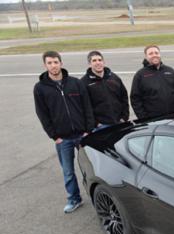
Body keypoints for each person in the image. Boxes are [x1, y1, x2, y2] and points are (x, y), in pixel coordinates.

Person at [34, 50, 94, 213]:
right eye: (49, 63)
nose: (53, 66)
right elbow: (42, 114)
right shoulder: (40, 88)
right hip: (63, 139)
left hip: (82, 135)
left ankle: (97, 197)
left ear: (61, 63)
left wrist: (88, 130)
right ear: (45, 65)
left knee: (91, 168)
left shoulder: (75, 83)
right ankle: (74, 199)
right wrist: (55, 136)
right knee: (68, 172)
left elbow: (87, 107)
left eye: (55, 62)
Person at [80, 50, 129, 128]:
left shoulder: (114, 78)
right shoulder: (84, 82)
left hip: (119, 122)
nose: (98, 62)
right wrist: (96, 124)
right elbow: (84, 106)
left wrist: (124, 117)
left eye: (100, 60)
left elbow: (124, 98)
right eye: (94, 61)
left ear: (103, 62)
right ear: (90, 64)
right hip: (101, 126)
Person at [130, 45, 174, 119]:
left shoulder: (170, 71)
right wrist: (143, 118)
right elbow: (135, 99)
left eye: (156, 53)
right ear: (146, 57)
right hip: (153, 120)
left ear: (160, 54)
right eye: (151, 54)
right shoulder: (140, 75)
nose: (154, 55)